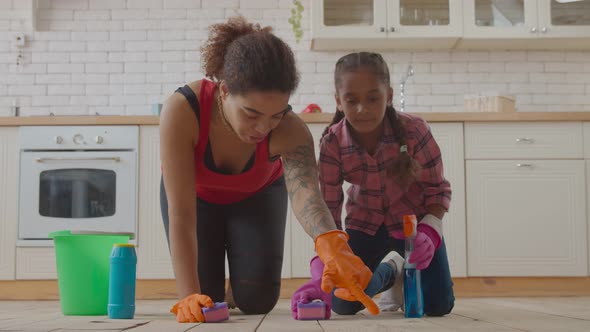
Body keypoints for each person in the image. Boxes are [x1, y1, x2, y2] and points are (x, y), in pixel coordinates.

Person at [159, 17, 379, 323]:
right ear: (224, 91)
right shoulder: (183, 111)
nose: (263, 128)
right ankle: (212, 286)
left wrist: (332, 243)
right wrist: (188, 296)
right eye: (251, 114)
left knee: (257, 301)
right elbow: (181, 215)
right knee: (205, 296)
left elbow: (308, 198)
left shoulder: (291, 131)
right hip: (196, 201)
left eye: (276, 114)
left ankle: (239, 286)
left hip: (257, 197)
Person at [291, 52, 455, 319]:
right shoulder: (332, 142)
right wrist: (323, 265)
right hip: (363, 226)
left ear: (388, 96)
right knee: (343, 302)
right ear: (338, 102)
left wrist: (431, 230)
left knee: (438, 306)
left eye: (373, 98)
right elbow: (329, 210)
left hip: (414, 228)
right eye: (351, 100)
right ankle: (391, 271)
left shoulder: (415, 131)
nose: (361, 109)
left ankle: (403, 270)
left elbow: (437, 190)